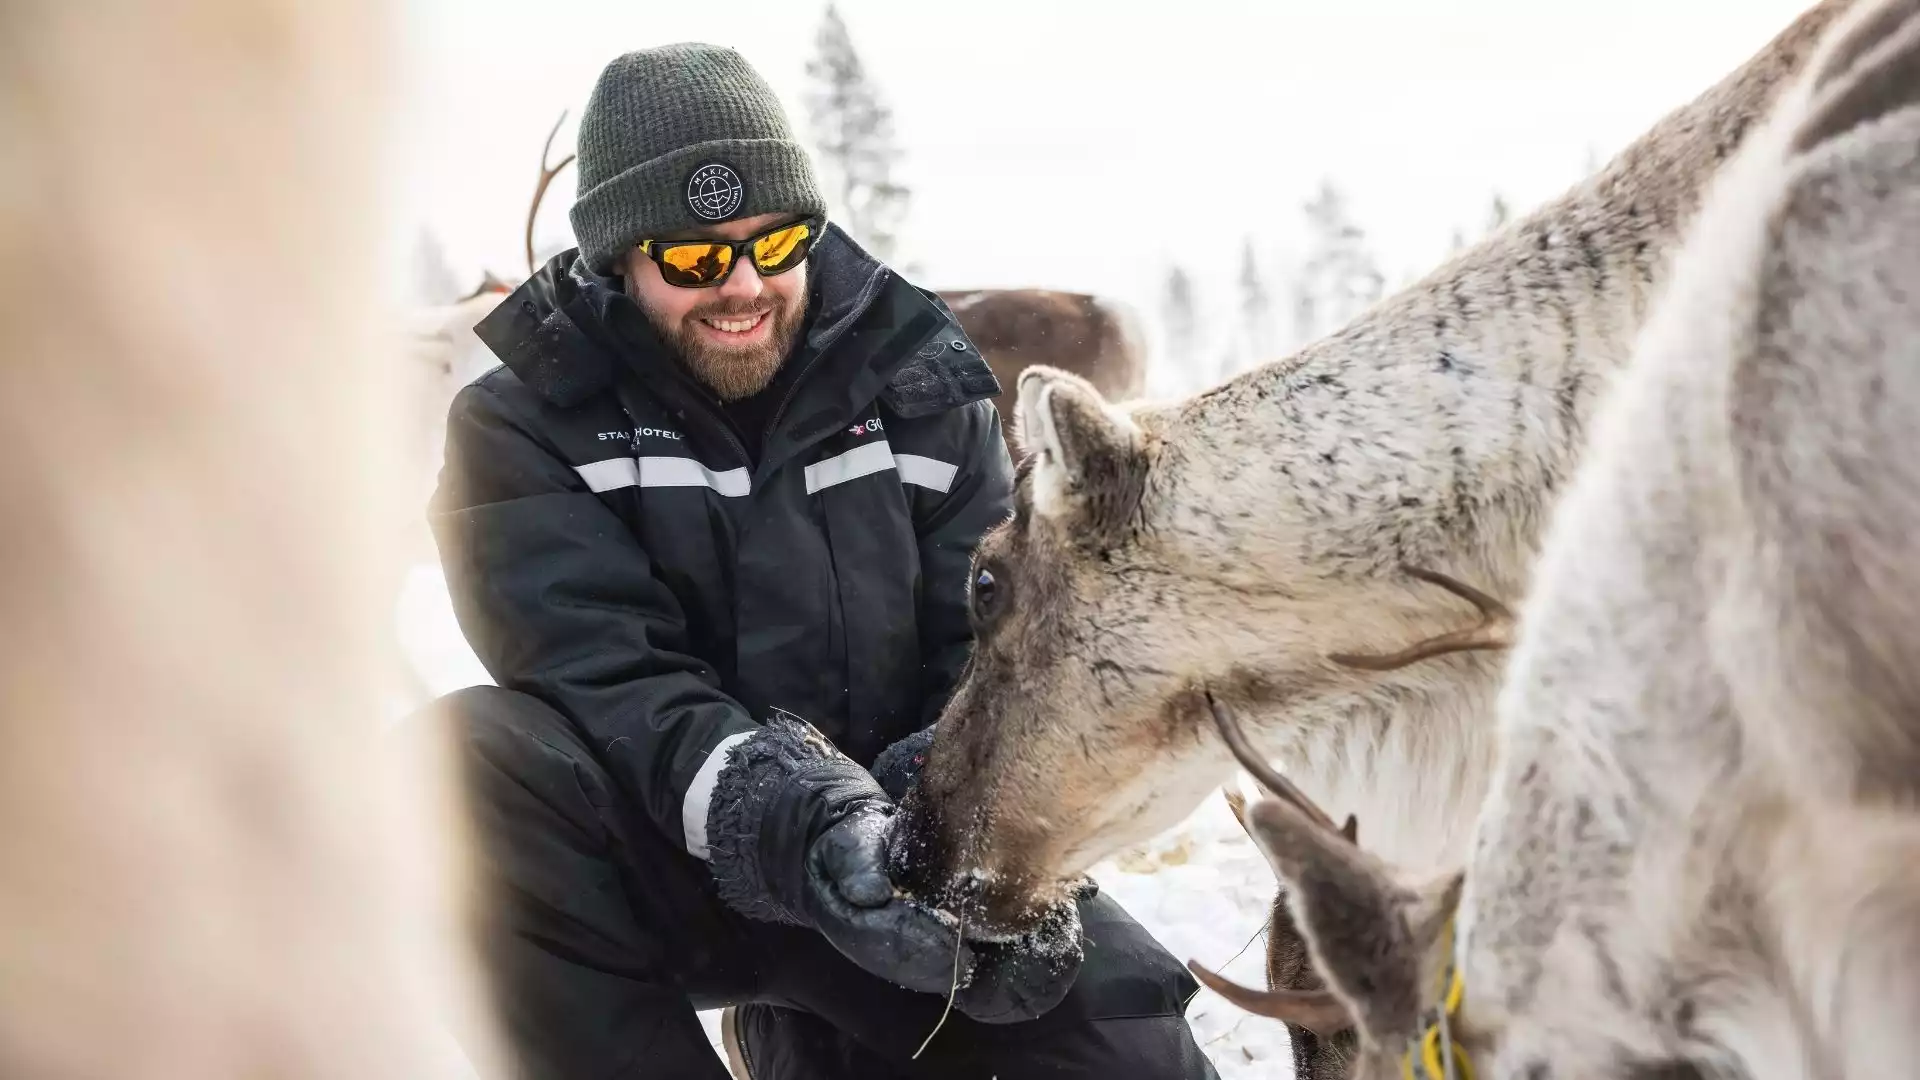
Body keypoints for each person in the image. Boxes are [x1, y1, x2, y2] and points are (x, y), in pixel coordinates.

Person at [425, 42, 1219, 1080]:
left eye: (777, 242)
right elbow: (604, 674)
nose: (743, 285)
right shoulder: (524, 423)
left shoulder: (920, 385)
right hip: (669, 857)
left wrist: (957, 828)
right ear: (619, 258)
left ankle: (826, 1034)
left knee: (1130, 1050)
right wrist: (798, 824)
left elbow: (980, 651)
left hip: (901, 847)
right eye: (694, 261)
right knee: (467, 767)